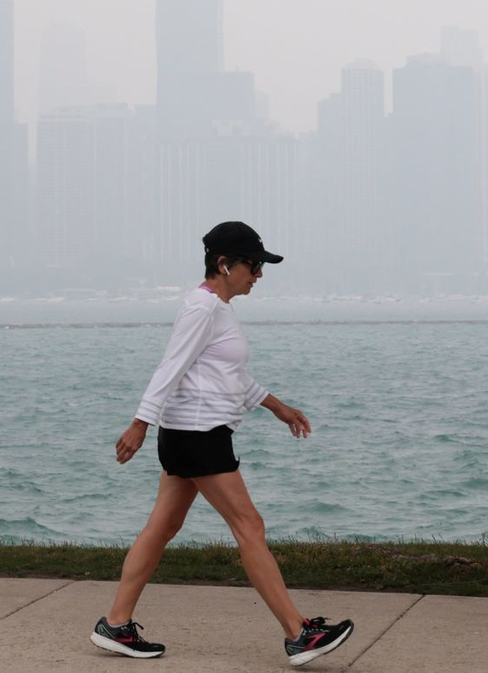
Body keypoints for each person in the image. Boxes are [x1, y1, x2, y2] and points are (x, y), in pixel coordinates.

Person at [89, 221, 354, 667]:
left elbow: (228, 376)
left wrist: (277, 406)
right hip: (198, 435)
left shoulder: (217, 310)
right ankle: (298, 633)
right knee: (249, 526)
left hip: (189, 434)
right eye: (254, 265)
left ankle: (116, 625)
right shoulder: (204, 309)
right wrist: (139, 424)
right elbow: (170, 367)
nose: (259, 275)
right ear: (224, 263)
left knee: (162, 528)